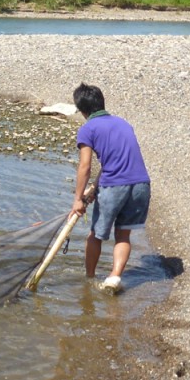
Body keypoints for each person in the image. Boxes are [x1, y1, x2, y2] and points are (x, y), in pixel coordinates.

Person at [71, 83, 151, 294]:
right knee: (123, 235)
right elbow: (114, 161)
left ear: (83, 111)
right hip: (141, 184)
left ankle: (89, 280)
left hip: (115, 186)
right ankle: (114, 278)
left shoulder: (88, 128)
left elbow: (85, 166)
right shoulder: (123, 123)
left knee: (95, 235)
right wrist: (94, 188)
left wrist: (78, 198)